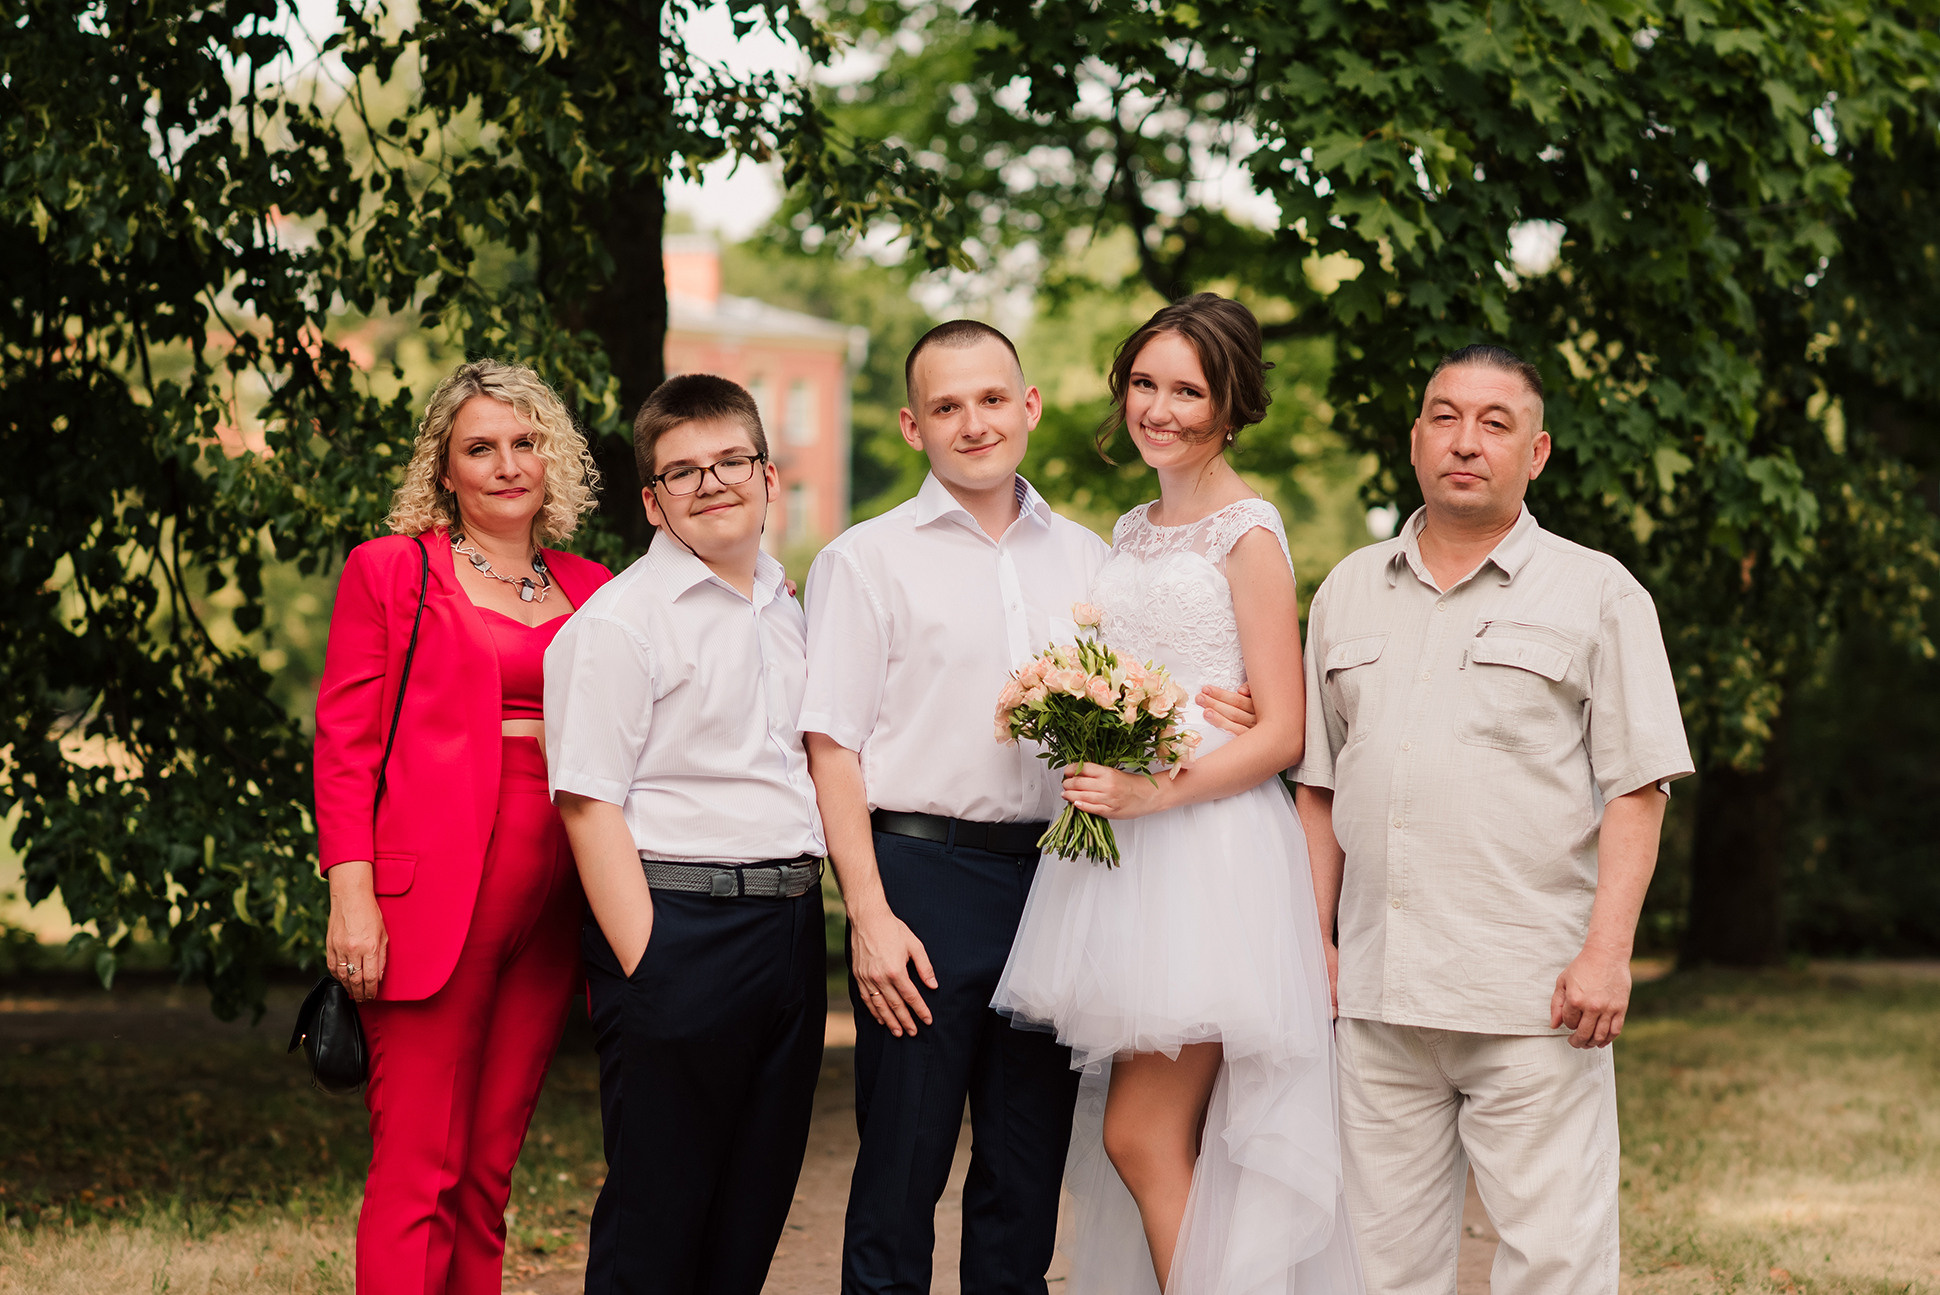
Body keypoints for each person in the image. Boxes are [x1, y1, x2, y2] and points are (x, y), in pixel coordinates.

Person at [1293, 344, 1695, 1294]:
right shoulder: (1347, 589)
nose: (1464, 442)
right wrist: (1313, 941)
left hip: (1532, 993)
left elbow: (1638, 788)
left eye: (1494, 422)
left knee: (1554, 1262)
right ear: (1414, 439)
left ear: (1537, 451)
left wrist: (1608, 954)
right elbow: (1318, 785)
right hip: (1377, 996)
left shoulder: (1599, 592)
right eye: (1443, 416)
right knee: (1377, 1269)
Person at [991, 294, 1363, 1294]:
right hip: (1127, 849)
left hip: (1204, 848)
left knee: (1142, 1133)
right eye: (1144, 383)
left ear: (1228, 405)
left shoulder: (1248, 532)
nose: (1157, 408)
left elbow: (1283, 727)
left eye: (1185, 390)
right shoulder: (1133, 524)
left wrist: (1160, 788)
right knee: (1152, 1135)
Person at [314, 359, 612, 1294]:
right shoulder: (393, 571)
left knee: (487, 1176)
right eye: (480, 447)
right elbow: (345, 744)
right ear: (444, 468)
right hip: (429, 905)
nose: (507, 464)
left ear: (552, 456)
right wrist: (351, 899)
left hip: (557, 907)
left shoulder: (595, 586)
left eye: (526, 443)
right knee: (418, 1173)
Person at [545, 374, 827, 1295]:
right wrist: (649, 958)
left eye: (729, 461)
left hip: (788, 930)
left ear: (767, 473)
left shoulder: (789, 609)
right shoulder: (620, 623)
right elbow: (588, 802)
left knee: (750, 1212)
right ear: (652, 499)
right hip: (677, 926)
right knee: (656, 1222)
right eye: (683, 471)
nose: (711, 483)